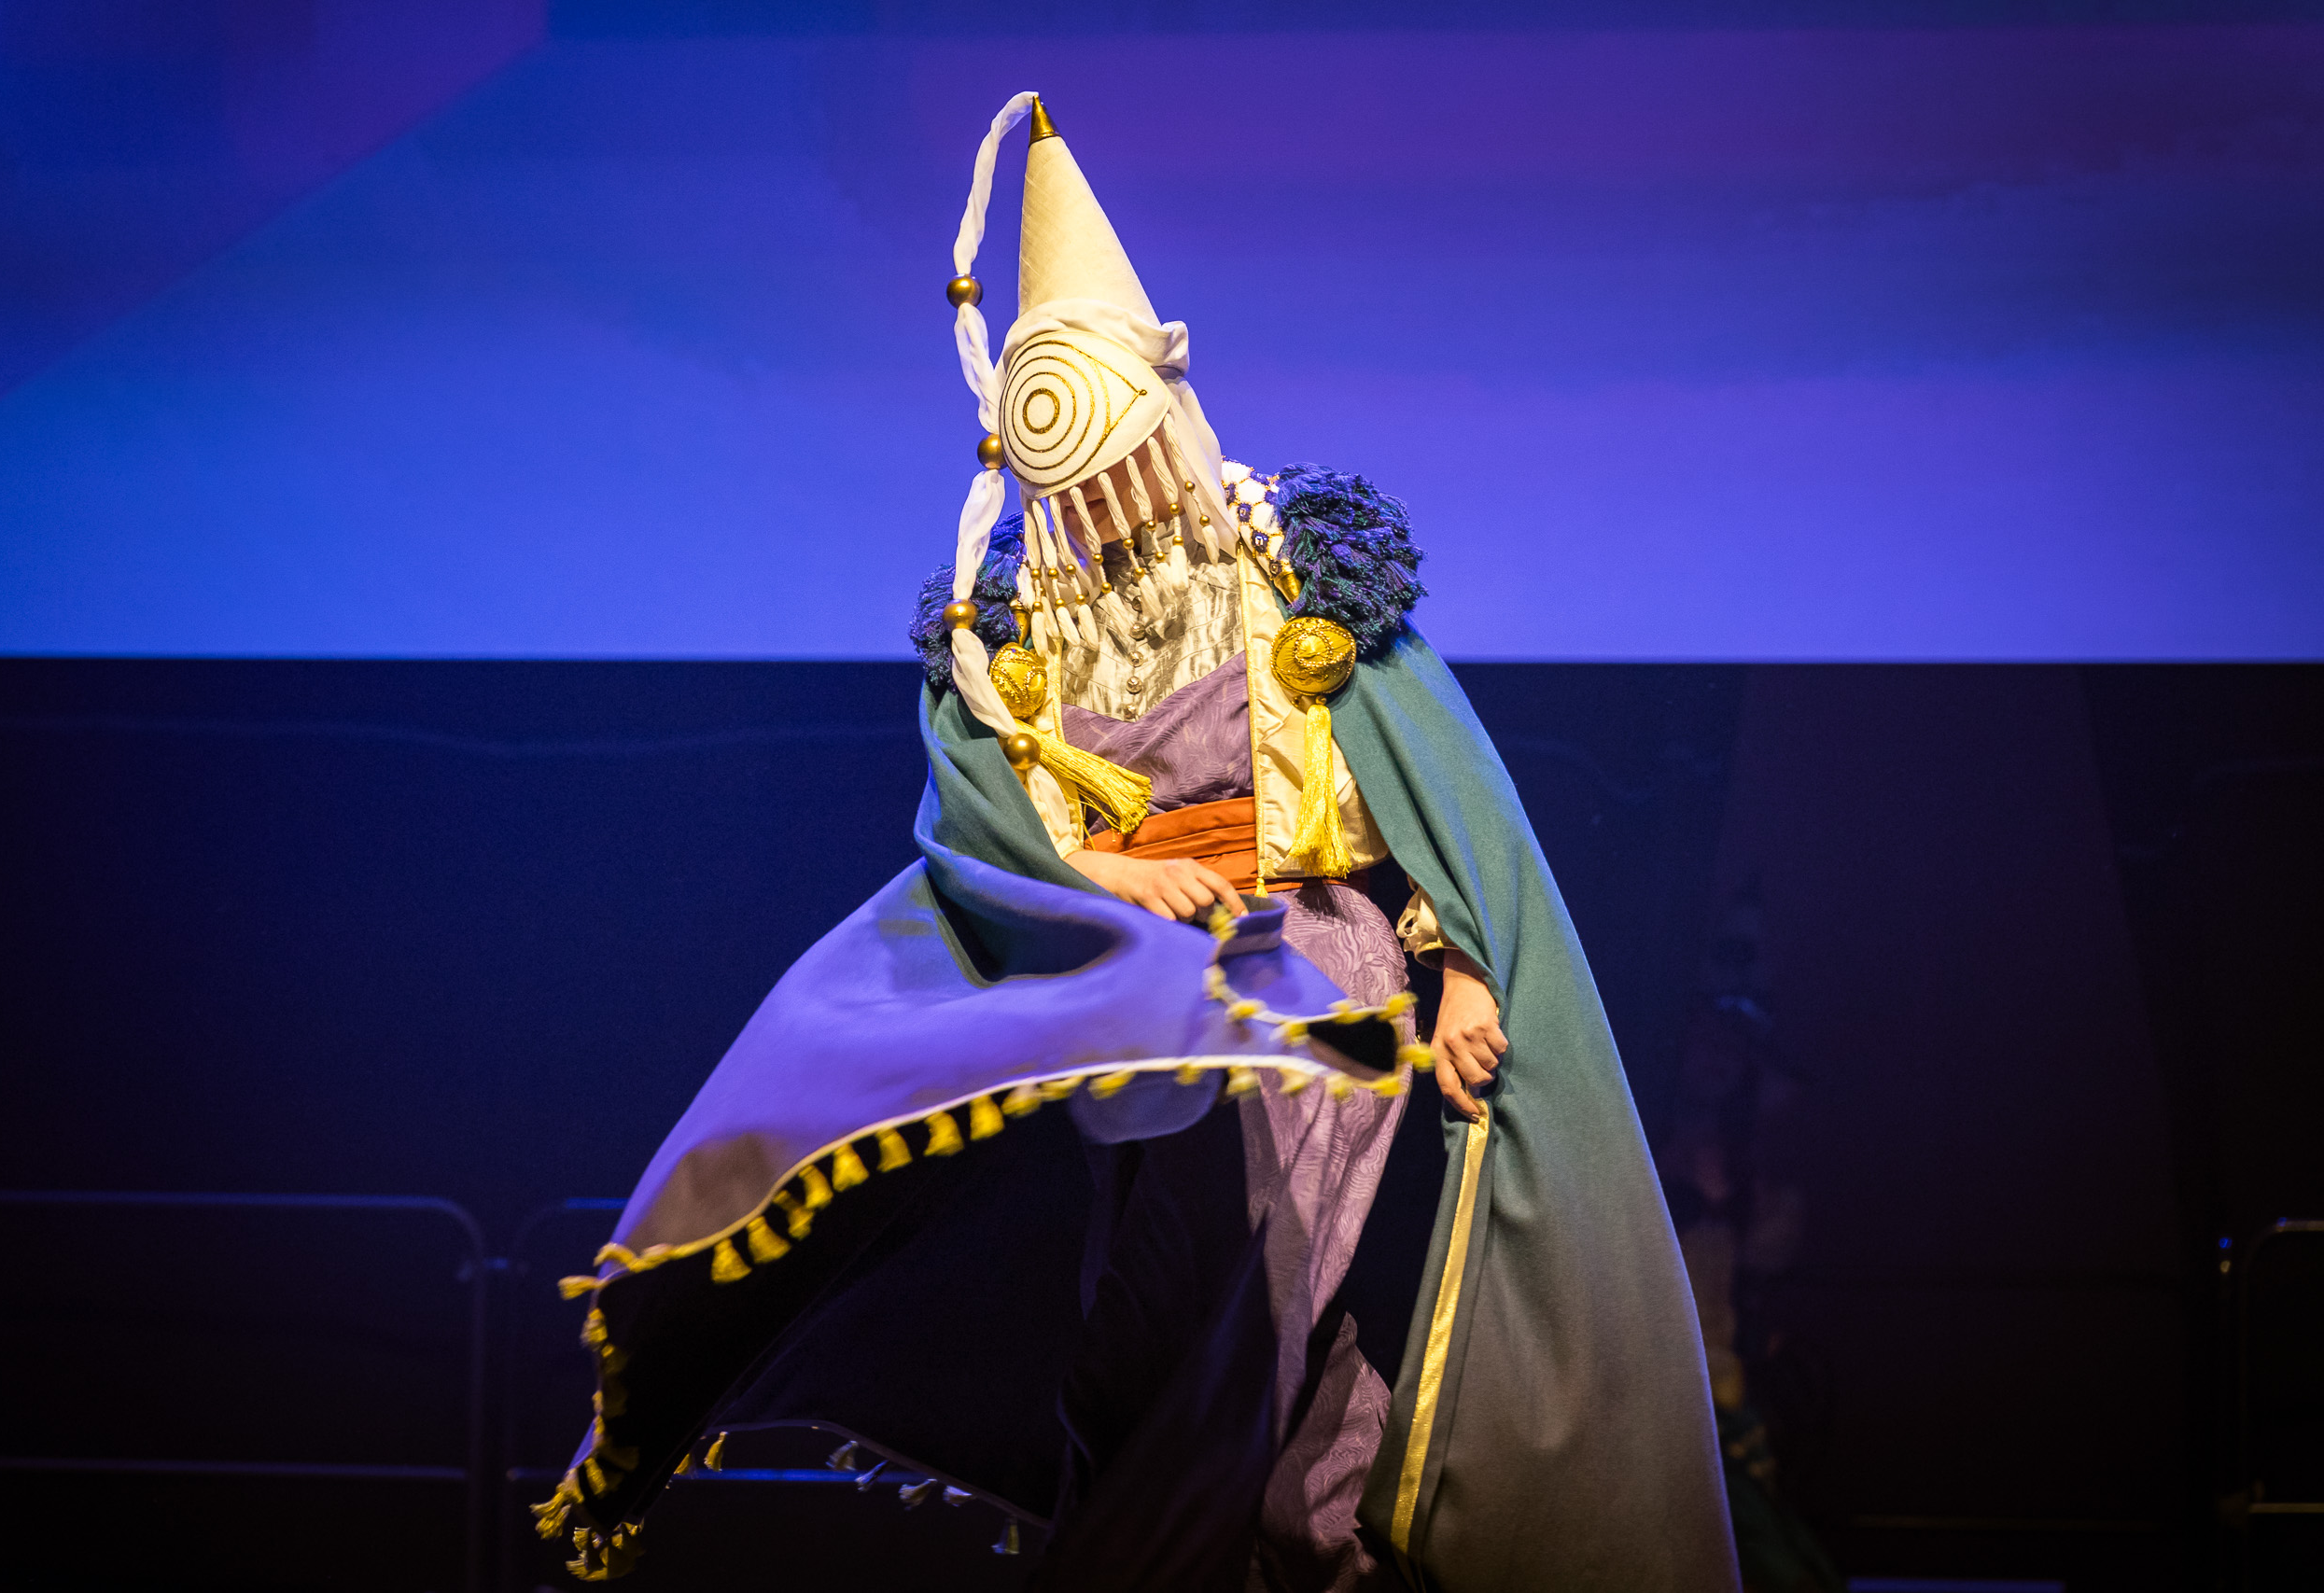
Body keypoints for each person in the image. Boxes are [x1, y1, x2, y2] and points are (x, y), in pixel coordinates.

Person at [536, 93, 1735, 1592]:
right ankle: (1222, 1539)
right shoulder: (1011, 626)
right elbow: (975, 812)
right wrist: (1100, 874)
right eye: (1074, 491)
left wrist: (1469, 963)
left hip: (1307, 977)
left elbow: (1436, 785)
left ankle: (1221, 1547)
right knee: (1155, 1317)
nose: (1104, 511)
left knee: (1260, 1303)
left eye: (1118, 473)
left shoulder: (1281, 564)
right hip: (1138, 1000)